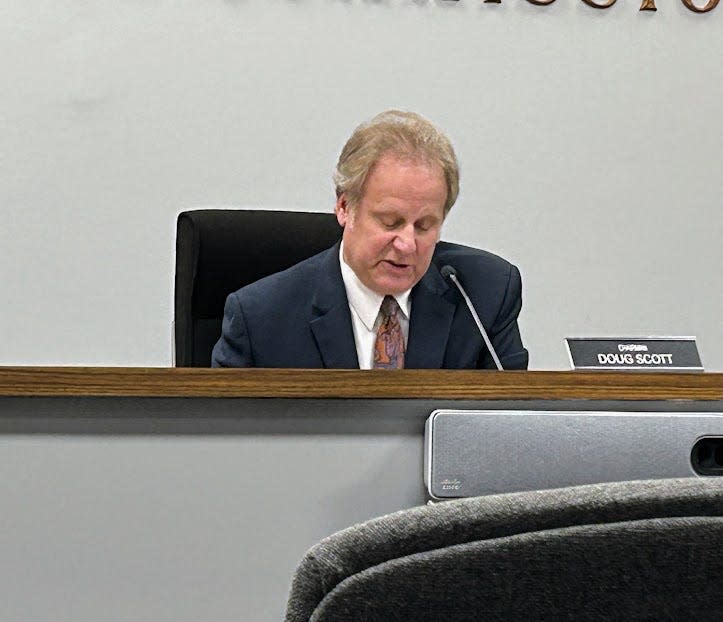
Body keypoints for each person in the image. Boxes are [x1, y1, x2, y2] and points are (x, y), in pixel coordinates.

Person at [211, 110, 528, 369]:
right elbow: (225, 441)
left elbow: (510, 428)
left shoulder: (484, 297)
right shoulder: (261, 318)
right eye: (390, 222)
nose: (407, 244)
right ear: (345, 206)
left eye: (424, 226)